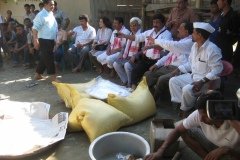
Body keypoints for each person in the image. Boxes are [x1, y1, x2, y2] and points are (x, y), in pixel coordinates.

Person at [144, 91, 240, 160]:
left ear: (218, 112)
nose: (201, 120)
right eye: (200, 115)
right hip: (216, 145)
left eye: (206, 117)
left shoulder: (234, 121)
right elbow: (178, 130)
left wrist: (227, 150)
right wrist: (160, 151)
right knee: (186, 131)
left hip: (233, 154)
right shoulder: (199, 115)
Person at [169, 22, 223, 117]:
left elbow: (217, 70)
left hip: (206, 81)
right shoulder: (194, 46)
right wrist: (178, 69)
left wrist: (202, 81)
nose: (191, 34)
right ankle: (184, 105)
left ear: (200, 35)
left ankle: (185, 110)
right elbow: (190, 63)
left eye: (193, 32)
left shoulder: (212, 49)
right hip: (193, 77)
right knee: (173, 81)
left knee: (187, 89)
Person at [118, 13, 172, 89]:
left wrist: (151, 46)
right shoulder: (149, 32)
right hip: (146, 59)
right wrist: (124, 36)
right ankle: (132, 89)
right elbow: (137, 38)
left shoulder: (167, 34)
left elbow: (164, 48)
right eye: (154, 22)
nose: (155, 24)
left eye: (157, 22)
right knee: (135, 71)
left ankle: (142, 92)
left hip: (157, 61)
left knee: (147, 75)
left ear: (163, 23)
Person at [144, 22, 193, 101]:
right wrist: (157, 64)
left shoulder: (190, 42)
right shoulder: (181, 41)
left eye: (180, 28)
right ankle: (148, 96)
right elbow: (168, 56)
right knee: (148, 74)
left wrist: (155, 41)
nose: (178, 30)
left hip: (178, 69)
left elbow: (173, 45)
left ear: (186, 32)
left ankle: (153, 101)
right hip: (168, 67)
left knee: (162, 79)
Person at [32, 0, 59, 82]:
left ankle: (38, 74)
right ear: (45, 4)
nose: (53, 6)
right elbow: (34, 28)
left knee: (44, 57)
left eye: (53, 5)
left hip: (50, 39)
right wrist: (35, 40)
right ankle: (53, 77)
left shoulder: (50, 13)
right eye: (51, 4)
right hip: (44, 40)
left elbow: (53, 27)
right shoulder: (40, 15)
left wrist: (55, 39)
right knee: (49, 58)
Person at [113, 17, 142, 87]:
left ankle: (130, 83)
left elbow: (142, 50)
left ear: (139, 26)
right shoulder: (130, 34)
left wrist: (135, 56)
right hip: (127, 56)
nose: (132, 27)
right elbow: (124, 46)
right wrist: (121, 54)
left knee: (127, 65)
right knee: (115, 64)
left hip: (136, 58)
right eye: (131, 26)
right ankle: (125, 80)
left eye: (134, 25)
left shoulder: (141, 35)